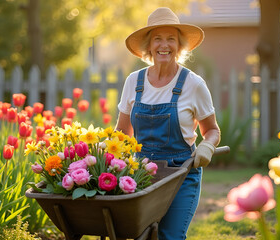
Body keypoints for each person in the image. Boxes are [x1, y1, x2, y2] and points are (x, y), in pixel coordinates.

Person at [115, 7, 221, 240]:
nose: (164, 45)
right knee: (140, 235)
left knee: (170, 236)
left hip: (180, 174)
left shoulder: (194, 84)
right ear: (149, 46)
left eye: (171, 39)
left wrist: (206, 146)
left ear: (180, 46)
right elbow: (122, 133)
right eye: (158, 39)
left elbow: (212, 130)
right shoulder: (134, 82)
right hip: (142, 174)